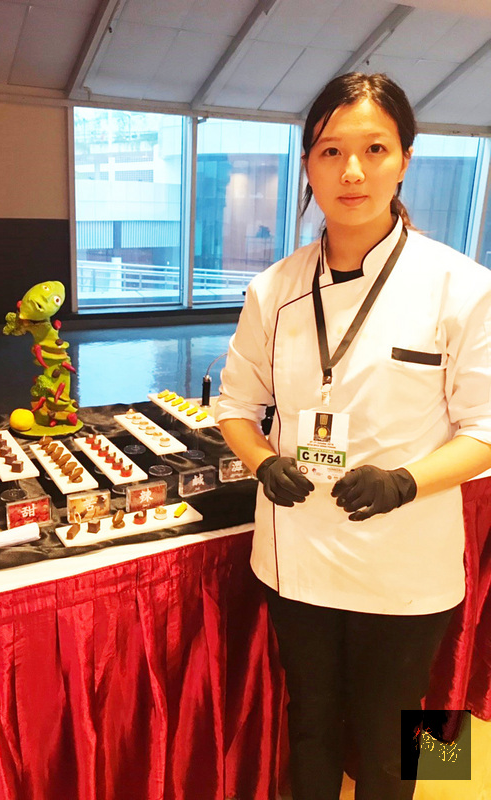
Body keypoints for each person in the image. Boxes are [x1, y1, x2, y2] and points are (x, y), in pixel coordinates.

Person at [214, 72, 491, 800]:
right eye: (331, 152)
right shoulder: (273, 289)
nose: (353, 172)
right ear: (307, 164)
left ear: (405, 159)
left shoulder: (463, 286)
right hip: (296, 553)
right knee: (310, 723)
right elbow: (235, 405)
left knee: (397, 736)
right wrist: (262, 461)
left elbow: (487, 430)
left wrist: (406, 481)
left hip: (408, 561)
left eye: (374, 149)